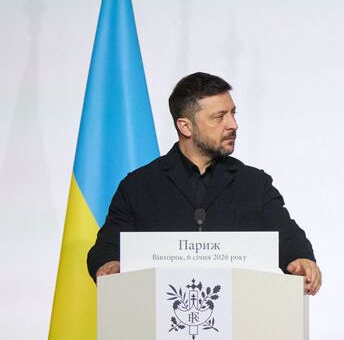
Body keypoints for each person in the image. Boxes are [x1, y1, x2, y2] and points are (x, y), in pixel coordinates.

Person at [87, 72, 322, 294]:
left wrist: (301, 258)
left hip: (240, 314)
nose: (233, 124)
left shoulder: (254, 184)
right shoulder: (139, 186)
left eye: (233, 113)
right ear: (185, 126)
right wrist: (109, 263)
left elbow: (287, 236)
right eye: (219, 117)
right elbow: (108, 246)